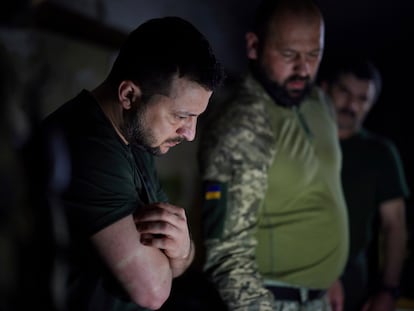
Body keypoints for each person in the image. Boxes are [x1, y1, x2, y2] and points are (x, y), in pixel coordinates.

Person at [22, 16, 224, 311]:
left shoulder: (139, 140)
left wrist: (181, 253)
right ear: (129, 95)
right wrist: (177, 255)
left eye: (196, 118)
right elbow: (153, 292)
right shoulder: (88, 145)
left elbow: (177, 252)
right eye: (181, 116)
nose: (190, 134)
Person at [197, 0, 348, 310]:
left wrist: (326, 276)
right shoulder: (241, 124)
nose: (303, 70)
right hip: (271, 301)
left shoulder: (318, 101)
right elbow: (227, 254)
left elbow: (320, 193)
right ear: (254, 46)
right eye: (289, 55)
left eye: (313, 55)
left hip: (318, 299)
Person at [319, 58, 410, 311]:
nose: (351, 105)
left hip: (351, 283)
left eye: (362, 99)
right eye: (345, 92)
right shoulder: (300, 140)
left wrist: (389, 290)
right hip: (290, 274)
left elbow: (395, 225)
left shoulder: (380, 153)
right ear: (325, 88)